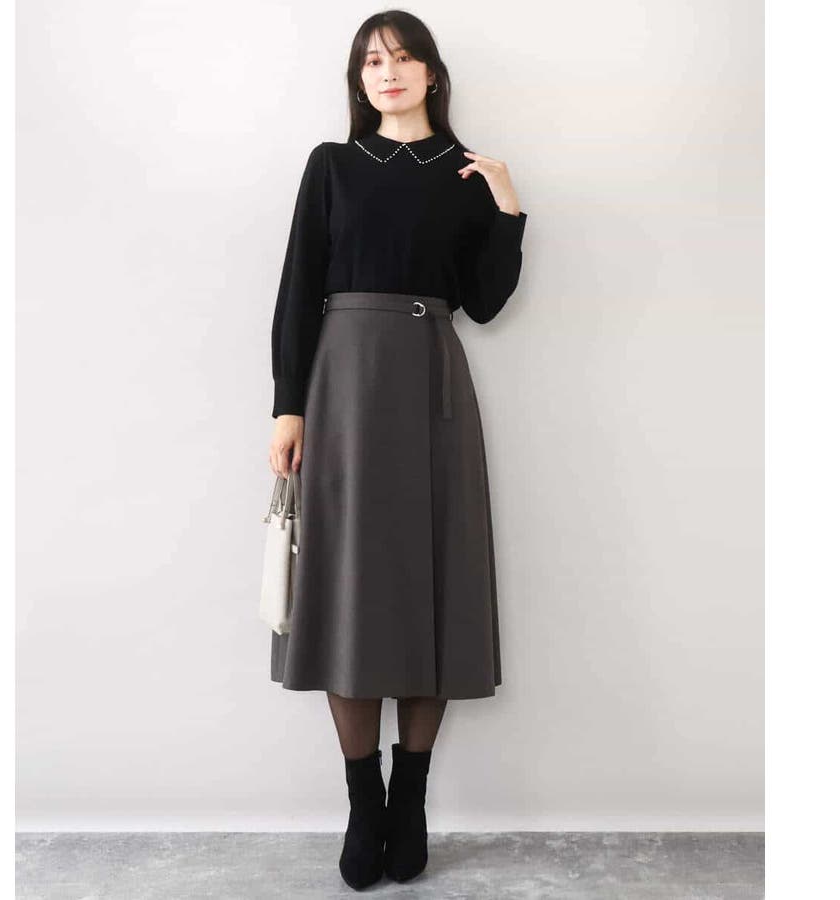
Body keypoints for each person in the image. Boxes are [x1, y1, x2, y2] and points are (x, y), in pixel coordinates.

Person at [267, 10, 527, 891]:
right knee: (348, 583)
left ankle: (409, 798)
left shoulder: (466, 173)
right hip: (342, 385)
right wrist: (288, 407)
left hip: (431, 386)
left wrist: (507, 208)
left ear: (432, 74)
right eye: (373, 61)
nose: (389, 71)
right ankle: (363, 803)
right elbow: (298, 286)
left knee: (434, 582)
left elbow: (485, 302)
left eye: (405, 57)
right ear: (359, 80)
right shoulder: (333, 165)